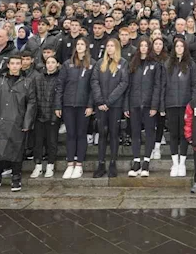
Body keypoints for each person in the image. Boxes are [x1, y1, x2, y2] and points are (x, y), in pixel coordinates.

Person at [0, 55, 37, 192]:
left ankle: (16, 177)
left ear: (21, 65)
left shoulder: (27, 82)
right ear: (8, 65)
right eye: (12, 63)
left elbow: (31, 103)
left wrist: (27, 123)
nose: (14, 66)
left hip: (17, 122)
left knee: (17, 151)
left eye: (17, 63)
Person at [54, 38, 95, 179]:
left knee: (81, 134)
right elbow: (60, 85)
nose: (79, 46)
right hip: (68, 105)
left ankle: (79, 165)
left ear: (87, 47)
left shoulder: (92, 64)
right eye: (77, 44)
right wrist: (58, 105)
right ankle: (70, 163)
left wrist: (90, 105)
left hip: (83, 105)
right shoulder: (67, 64)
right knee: (70, 134)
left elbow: (93, 87)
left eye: (82, 44)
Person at [91, 38, 128, 178]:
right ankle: (101, 164)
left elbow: (123, 83)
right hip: (101, 106)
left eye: (112, 46)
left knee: (113, 133)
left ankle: (113, 163)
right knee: (102, 134)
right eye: (108, 45)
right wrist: (100, 101)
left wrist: (109, 101)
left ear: (117, 48)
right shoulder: (100, 63)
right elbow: (94, 81)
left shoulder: (123, 63)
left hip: (115, 105)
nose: (110, 48)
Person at [162, 37, 196, 177]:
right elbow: (163, 85)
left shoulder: (191, 64)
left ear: (185, 49)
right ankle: (175, 163)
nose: (179, 49)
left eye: (181, 46)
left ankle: (182, 162)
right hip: (171, 104)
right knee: (173, 134)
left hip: (186, 104)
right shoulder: (167, 64)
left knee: (184, 134)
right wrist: (162, 105)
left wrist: (193, 103)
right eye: (177, 46)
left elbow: (194, 85)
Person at [126, 38, 161, 177]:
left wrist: (154, 105)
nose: (144, 48)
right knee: (135, 133)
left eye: (146, 45)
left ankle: (146, 161)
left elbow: (157, 86)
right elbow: (128, 85)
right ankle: (136, 162)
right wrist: (126, 105)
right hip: (134, 104)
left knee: (149, 133)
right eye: (141, 45)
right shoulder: (133, 64)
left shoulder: (155, 64)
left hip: (148, 105)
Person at [30, 56, 60, 179]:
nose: (50, 65)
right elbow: (34, 96)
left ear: (57, 64)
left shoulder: (60, 78)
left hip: (53, 115)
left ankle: (50, 165)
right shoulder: (38, 78)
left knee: (52, 142)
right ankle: (37, 166)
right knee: (38, 142)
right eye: (48, 62)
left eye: (53, 62)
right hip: (39, 115)